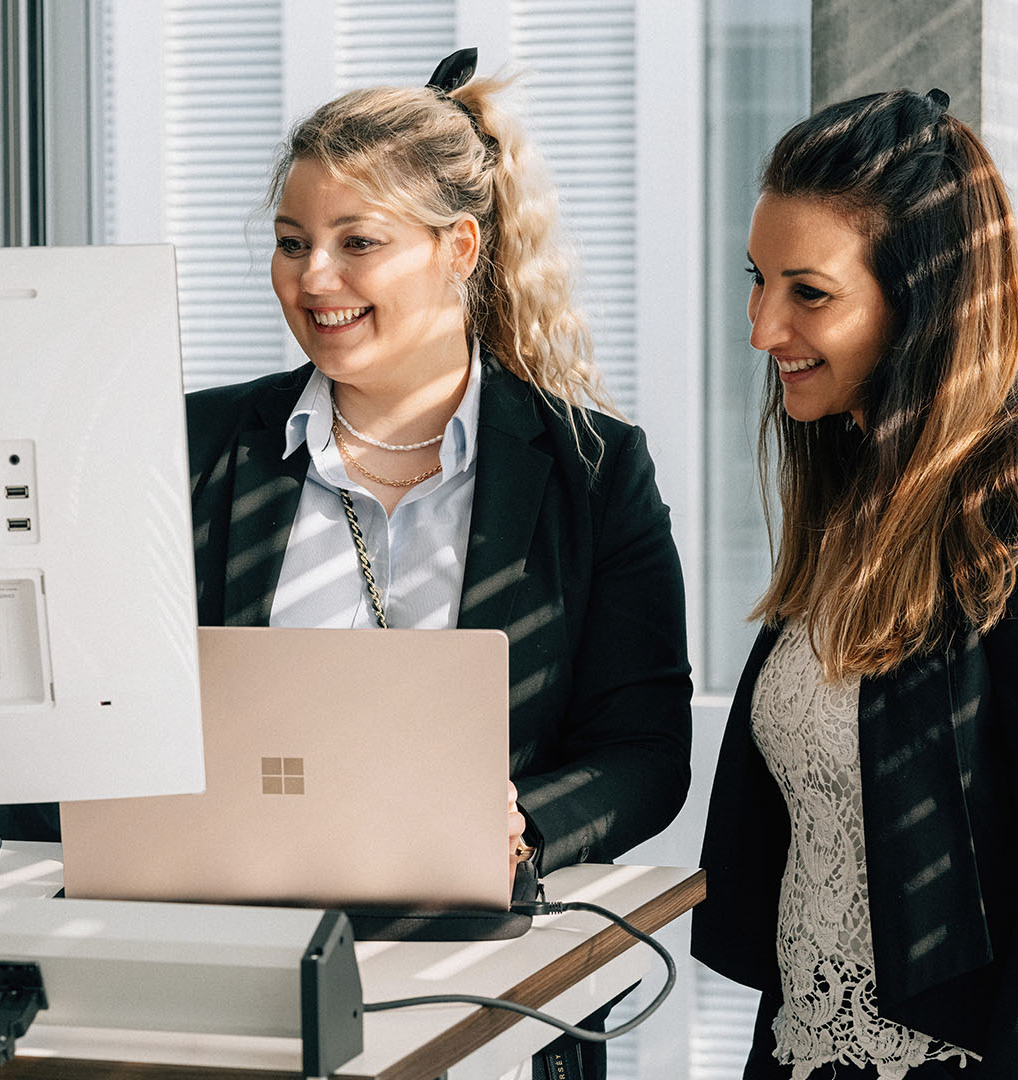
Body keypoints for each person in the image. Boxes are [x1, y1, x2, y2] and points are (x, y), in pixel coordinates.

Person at [185, 49, 692, 1074]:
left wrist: (523, 823)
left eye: (355, 242)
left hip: (485, 992)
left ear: (459, 246)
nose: (312, 278)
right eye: (292, 244)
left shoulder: (593, 473)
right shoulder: (196, 450)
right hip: (229, 980)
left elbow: (644, 752)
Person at [691, 88, 1018, 1080]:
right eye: (757, 280)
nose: (762, 327)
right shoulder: (853, 484)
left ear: (922, 298)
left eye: (808, 292)